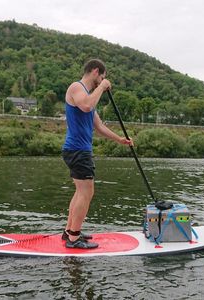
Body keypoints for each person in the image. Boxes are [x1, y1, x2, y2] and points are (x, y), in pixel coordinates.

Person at [62, 59, 133, 249]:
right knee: (87, 191)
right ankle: (74, 239)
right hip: (77, 149)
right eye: (102, 76)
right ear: (95, 72)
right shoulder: (77, 88)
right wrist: (102, 86)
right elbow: (86, 106)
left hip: (80, 150)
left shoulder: (88, 96)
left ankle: (70, 231)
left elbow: (99, 126)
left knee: (81, 191)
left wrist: (120, 139)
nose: (103, 80)